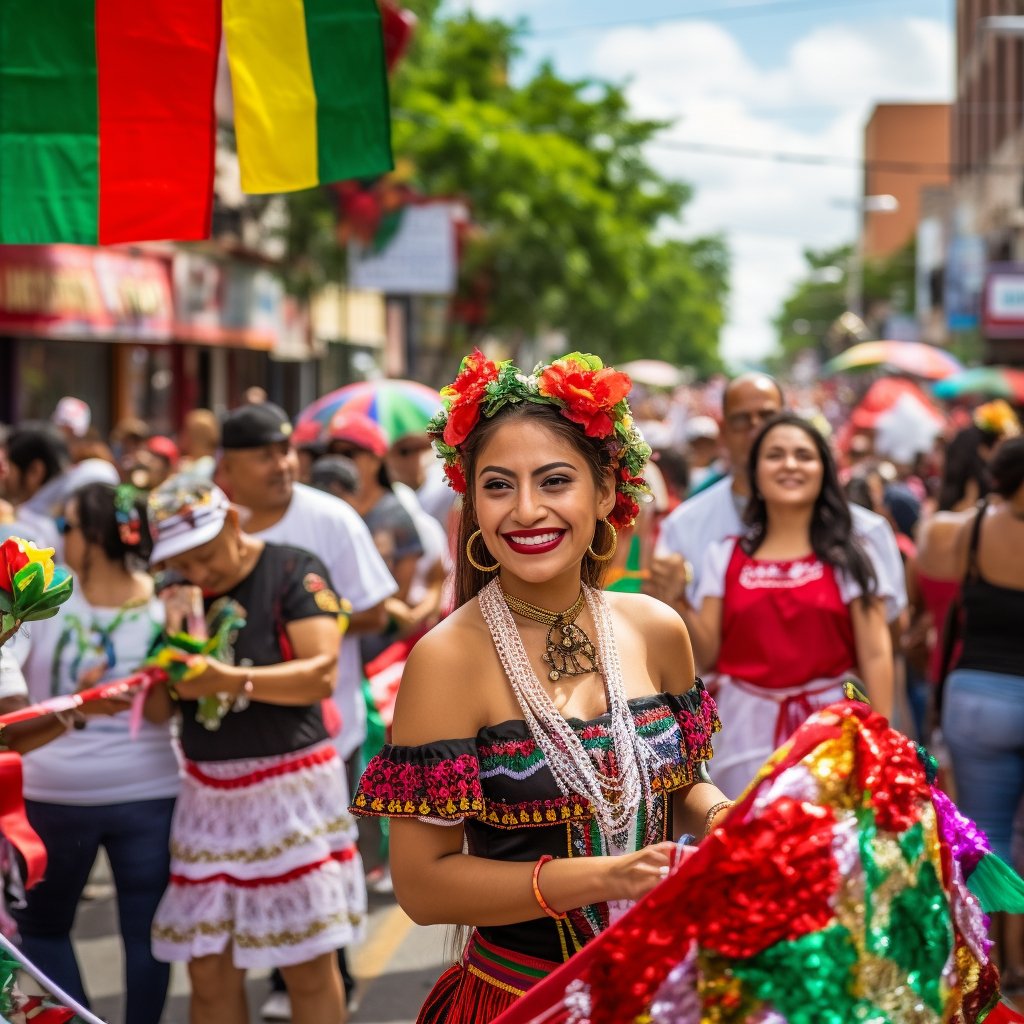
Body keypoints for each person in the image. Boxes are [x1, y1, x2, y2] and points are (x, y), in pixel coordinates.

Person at [351, 351, 727, 1023]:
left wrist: (730, 817)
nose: (526, 512)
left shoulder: (657, 628)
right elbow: (423, 885)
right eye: (499, 487)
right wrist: (606, 877)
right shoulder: (446, 660)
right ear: (471, 501)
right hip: (523, 1002)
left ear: (606, 492)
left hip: (666, 990)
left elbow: (681, 785)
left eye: (555, 481)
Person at [145, 476, 365, 1024]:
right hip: (208, 796)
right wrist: (158, 677)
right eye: (181, 562)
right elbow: (156, 711)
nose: (196, 573)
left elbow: (319, 673)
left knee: (307, 964)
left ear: (233, 523)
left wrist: (225, 679)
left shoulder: (292, 568)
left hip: (289, 788)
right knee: (207, 967)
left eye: (203, 556)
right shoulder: (178, 593)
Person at [214, 402, 396, 1020]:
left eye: (287, 449)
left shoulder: (330, 517)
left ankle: (317, 981)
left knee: (316, 873)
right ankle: (284, 978)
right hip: (226, 748)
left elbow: (377, 610)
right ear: (226, 467)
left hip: (322, 731)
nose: (283, 464)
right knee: (247, 877)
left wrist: (298, 616)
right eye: (264, 454)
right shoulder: (214, 525)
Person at [11, 482, 179, 1024]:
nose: (58, 538)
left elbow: (15, 706)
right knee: (143, 931)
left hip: (83, 792)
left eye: (67, 528)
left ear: (97, 536)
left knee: (45, 928)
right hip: (127, 795)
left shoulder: (43, 607)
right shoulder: (160, 604)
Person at [677, 414, 897, 799]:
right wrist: (677, 597)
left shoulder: (852, 556)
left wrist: (882, 743)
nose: (790, 465)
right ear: (756, 472)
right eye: (775, 455)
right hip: (739, 732)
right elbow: (707, 656)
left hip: (832, 732)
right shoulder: (724, 555)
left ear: (824, 471)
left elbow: (877, 654)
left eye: (803, 455)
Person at [649, 374, 906, 656]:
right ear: (723, 433)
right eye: (741, 420)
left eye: (768, 416)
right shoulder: (684, 527)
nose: (756, 429)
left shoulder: (864, 532)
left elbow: (886, 642)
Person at [940, 436, 1024, 989]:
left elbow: (929, 582)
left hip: (976, 697)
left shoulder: (965, 529)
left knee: (985, 834)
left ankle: (988, 966)